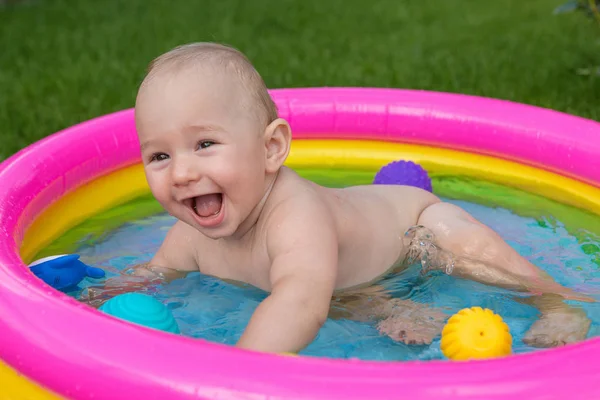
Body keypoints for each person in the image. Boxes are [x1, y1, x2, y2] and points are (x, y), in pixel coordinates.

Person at [110, 42, 593, 353]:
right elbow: (149, 276)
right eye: (159, 157)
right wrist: (92, 300)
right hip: (351, 274)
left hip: (411, 225)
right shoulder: (189, 235)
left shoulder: (295, 218)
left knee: (472, 252)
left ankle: (557, 302)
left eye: (204, 145)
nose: (183, 173)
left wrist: (235, 374)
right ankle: (393, 306)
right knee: (338, 290)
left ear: (271, 148)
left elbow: (300, 305)